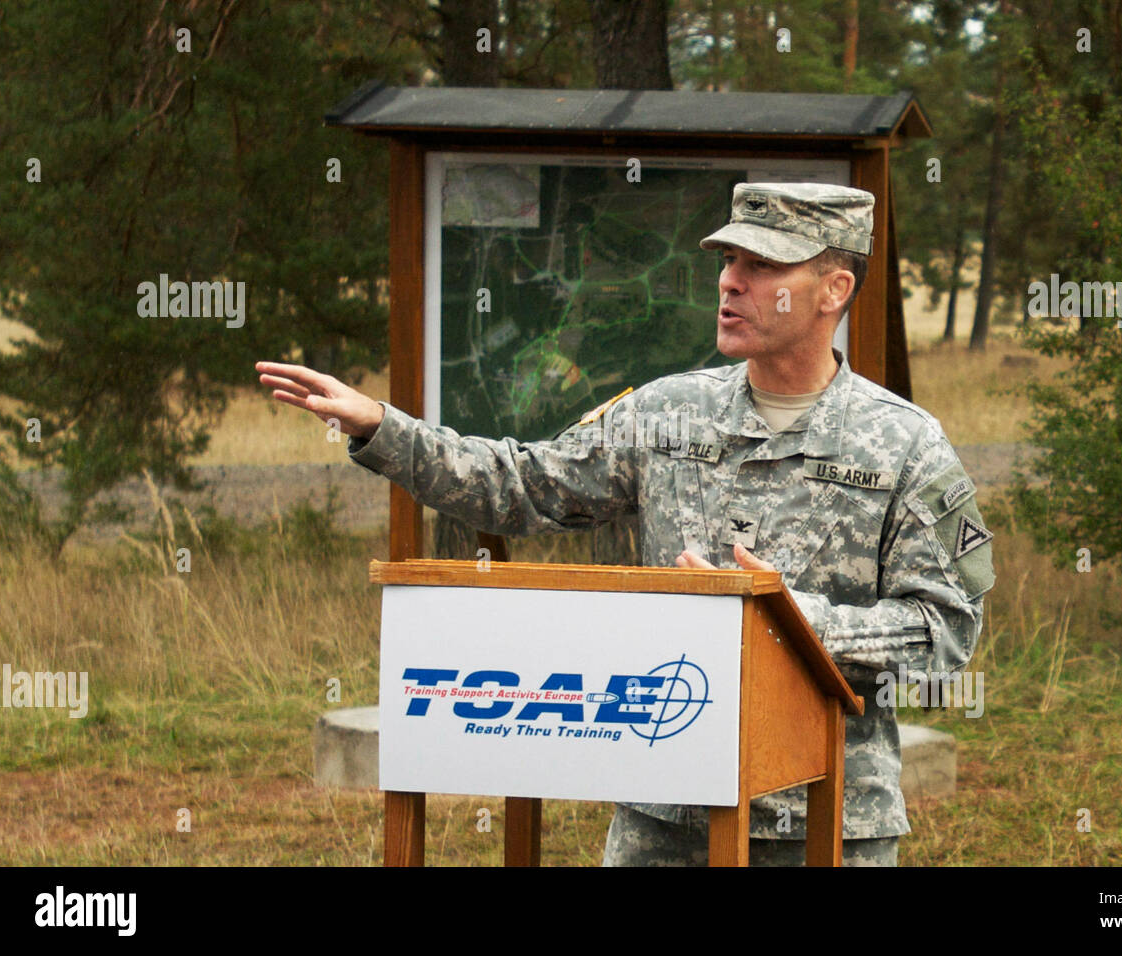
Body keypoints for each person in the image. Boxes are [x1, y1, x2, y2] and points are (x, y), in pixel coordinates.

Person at [256, 181, 995, 867]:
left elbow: (947, 629)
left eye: (763, 265)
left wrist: (791, 619)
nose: (730, 281)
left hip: (824, 822)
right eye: (729, 259)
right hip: (666, 813)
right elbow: (526, 487)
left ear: (835, 289)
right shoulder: (666, 413)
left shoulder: (905, 443)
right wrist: (384, 428)